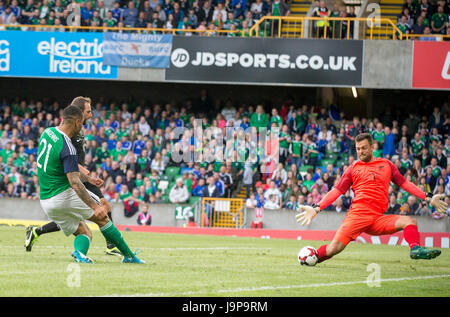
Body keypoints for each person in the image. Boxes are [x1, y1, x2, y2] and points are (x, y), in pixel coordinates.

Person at [296, 133, 447, 264]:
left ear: (372, 146)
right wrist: (316, 208)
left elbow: (405, 184)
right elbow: (337, 191)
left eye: (364, 148)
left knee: (410, 222)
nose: (360, 151)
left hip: (377, 218)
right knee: (333, 249)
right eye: (358, 149)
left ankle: (415, 249)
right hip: (357, 216)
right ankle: (312, 258)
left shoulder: (386, 165)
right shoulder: (353, 168)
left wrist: (428, 197)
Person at [30, 105, 144, 264]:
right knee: (103, 216)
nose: (83, 127)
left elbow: (61, 164)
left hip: (46, 200)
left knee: (85, 232)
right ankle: (129, 256)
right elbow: (75, 183)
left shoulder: (48, 132)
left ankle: (80, 254)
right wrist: (95, 206)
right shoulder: (68, 147)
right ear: (77, 122)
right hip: (62, 195)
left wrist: (89, 179)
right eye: (82, 123)